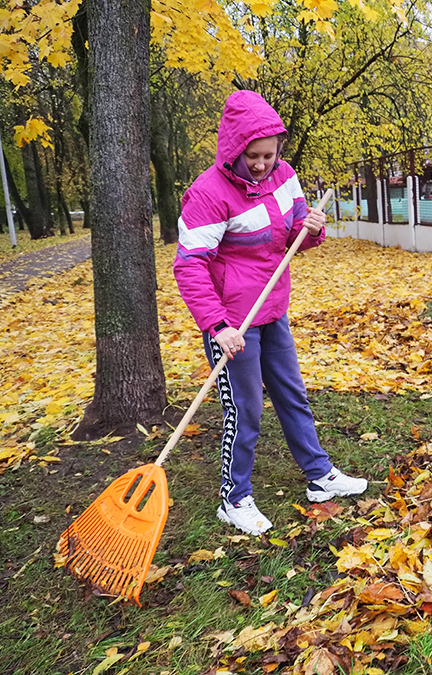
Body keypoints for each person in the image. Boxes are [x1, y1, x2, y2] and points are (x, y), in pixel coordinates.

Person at [173, 90, 367, 536]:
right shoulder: (208, 194)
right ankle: (234, 498)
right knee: (245, 410)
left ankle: (320, 477)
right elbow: (190, 266)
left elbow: (294, 237)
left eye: (269, 154)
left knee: (292, 395)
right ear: (234, 147)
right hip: (231, 322)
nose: (262, 164)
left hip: (272, 309)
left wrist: (311, 229)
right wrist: (217, 326)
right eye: (253, 155)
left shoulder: (285, 176)